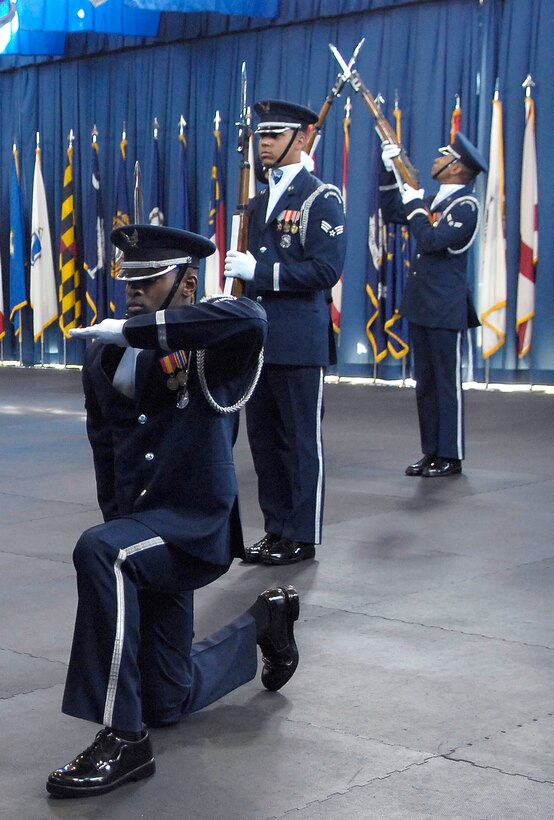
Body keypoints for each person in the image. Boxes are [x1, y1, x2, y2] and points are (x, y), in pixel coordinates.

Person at [51, 225, 300, 798]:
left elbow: (252, 319)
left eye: (149, 280)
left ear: (187, 284)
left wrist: (138, 331)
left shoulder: (215, 342)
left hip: (193, 527)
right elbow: (107, 452)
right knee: (169, 698)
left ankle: (122, 740)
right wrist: (122, 524)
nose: (133, 293)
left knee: (100, 552)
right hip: (145, 533)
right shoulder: (105, 354)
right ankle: (265, 622)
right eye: (128, 281)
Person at [224, 99, 347, 565]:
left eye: (275, 135)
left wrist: (263, 271)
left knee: (301, 443)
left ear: (301, 139)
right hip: (258, 342)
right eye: (261, 136)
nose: (265, 143)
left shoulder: (321, 198)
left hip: (299, 340)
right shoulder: (257, 203)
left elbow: (325, 269)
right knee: (265, 443)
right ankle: (275, 529)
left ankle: (302, 534)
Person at [379, 132, 485, 477]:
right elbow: (393, 211)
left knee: (446, 383)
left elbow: (431, 239)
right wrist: (390, 172)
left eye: (443, 158)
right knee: (425, 383)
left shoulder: (466, 206)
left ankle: (451, 455)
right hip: (424, 302)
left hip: (446, 305)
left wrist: (415, 204)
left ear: (457, 169)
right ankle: (432, 451)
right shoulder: (437, 201)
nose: (436, 162)